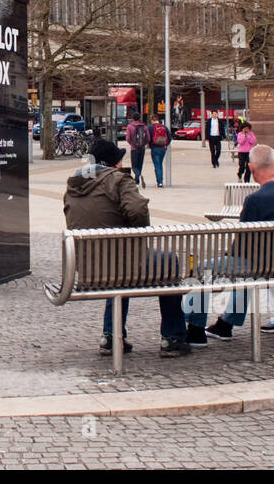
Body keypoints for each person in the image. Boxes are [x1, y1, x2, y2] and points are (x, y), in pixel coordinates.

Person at [63, 138, 190, 358]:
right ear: (111, 164)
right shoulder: (119, 180)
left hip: (88, 267)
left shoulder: (73, 186)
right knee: (168, 262)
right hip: (122, 264)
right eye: (119, 160)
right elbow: (138, 211)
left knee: (118, 267)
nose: (122, 164)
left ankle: (110, 336)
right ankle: (173, 337)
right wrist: (137, 232)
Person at [187, 144, 274, 346]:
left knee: (205, 268)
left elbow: (243, 242)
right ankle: (225, 324)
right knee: (245, 267)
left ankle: (195, 330)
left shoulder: (255, 199)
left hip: (263, 264)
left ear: (251, 169)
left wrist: (228, 254)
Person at [124, 110, 148, 187]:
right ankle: (137, 181)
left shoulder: (130, 126)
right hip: (142, 148)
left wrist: (132, 144)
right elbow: (148, 138)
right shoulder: (144, 126)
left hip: (134, 148)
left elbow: (127, 138)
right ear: (139, 118)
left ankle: (138, 176)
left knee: (134, 166)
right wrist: (144, 144)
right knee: (140, 165)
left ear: (132, 118)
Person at [148, 115, 169, 188]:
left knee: (157, 165)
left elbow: (148, 138)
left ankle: (159, 182)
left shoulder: (150, 127)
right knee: (160, 164)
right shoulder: (164, 127)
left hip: (154, 148)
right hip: (163, 148)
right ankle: (160, 181)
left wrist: (149, 145)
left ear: (152, 120)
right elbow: (169, 138)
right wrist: (165, 145)